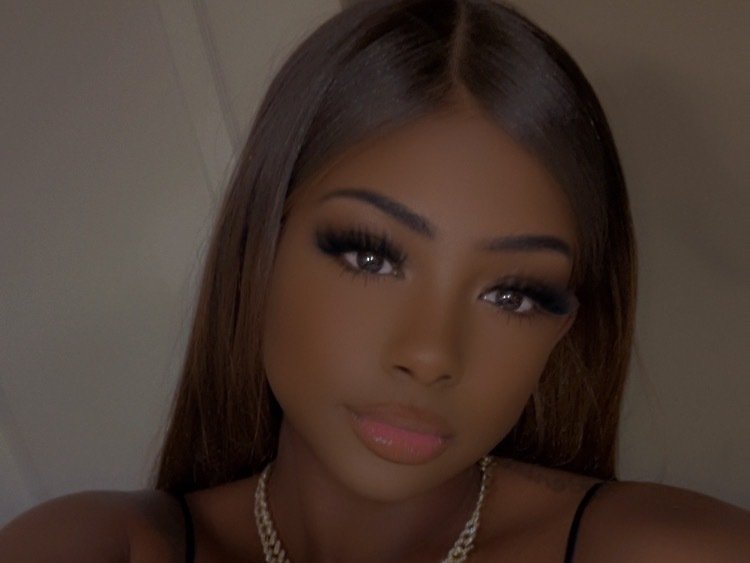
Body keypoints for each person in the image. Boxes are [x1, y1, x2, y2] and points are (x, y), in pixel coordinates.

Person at [1, 0, 748, 561]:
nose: (429, 354)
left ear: (564, 327)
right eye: (371, 257)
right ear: (262, 247)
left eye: (513, 294)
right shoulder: (102, 547)